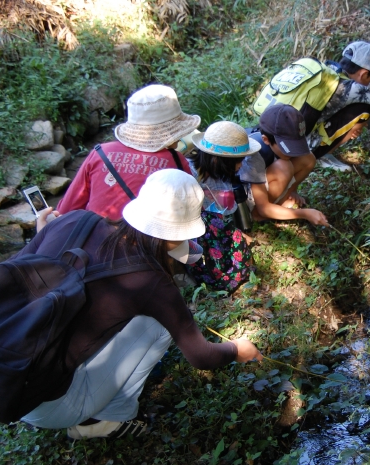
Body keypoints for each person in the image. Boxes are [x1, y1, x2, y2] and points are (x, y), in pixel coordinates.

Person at [19, 169, 263, 439]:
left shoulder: (75, 220)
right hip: (51, 407)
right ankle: (104, 421)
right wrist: (237, 349)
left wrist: (47, 232)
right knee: (157, 326)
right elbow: (202, 356)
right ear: (179, 234)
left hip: (7, 377)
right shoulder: (152, 281)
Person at [253, 40, 370, 171]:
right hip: (292, 141)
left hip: (270, 124)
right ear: (363, 73)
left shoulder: (326, 72)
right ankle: (318, 153)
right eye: (369, 79)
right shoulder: (351, 87)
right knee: (365, 108)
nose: (367, 85)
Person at [57, 84, 200, 220]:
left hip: (94, 240)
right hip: (146, 244)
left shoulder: (100, 153)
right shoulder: (176, 161)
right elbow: (189, 212)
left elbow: (66, 210)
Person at [188, 120, 329, 227]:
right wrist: (304, 214)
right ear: (217, 160)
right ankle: (256, 216)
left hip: (240, 197)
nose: (241, 164)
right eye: (238, 161)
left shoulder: (224, 168)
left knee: (300, 161)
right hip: (229, 210)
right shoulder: (195, 179)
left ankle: (276, 207)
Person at [247, 104, 317, 207]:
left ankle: (286, 196)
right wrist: (304, 214)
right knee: (284, 167)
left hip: (266, 178)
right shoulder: (255, 154)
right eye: (288, 147)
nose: (293, 152)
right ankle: (259, 214)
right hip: (251, 194)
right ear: (266, 139)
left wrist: (292, 190)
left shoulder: (277, 141)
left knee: (308, 158)